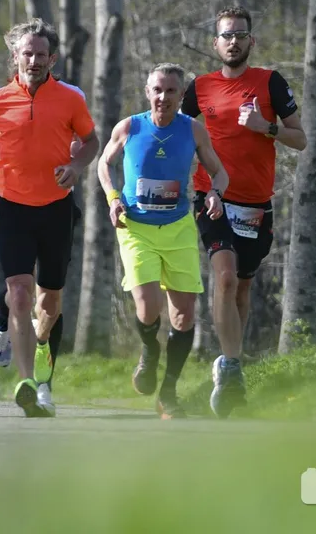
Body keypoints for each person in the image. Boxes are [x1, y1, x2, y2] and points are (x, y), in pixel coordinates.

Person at [180, 5, 307, 417]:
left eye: (240, 34)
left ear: (252, 41)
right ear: (214, 43)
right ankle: (231, 368)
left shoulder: (270, 83)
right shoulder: (199, 87)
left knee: (243, 288)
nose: (233, 41)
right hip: (213, 196)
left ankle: (229, 362)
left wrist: (265, 128)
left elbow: (300, 139)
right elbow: (176, 134)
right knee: (226, 277)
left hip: (256, 202)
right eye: (226, 35)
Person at [0, 19, 99, 417]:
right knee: (20, 293)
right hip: (12, 207)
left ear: (52, 58)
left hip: (57, 208)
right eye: (26, 53)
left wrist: (77, 166)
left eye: (41, 54)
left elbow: (92, 140)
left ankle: (42, 359)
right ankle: (30, 383)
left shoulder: (69, 99)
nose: (33, 60)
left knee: (51, 302)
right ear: (15, 56)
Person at [97, 64, 229, 419]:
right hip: (136, 227)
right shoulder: (129, 127)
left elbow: (220, 171)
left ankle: (168, 392)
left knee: (184, 316)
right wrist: (113, 198)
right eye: (157, 89)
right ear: (147, 91)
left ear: (181, 94)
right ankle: (149, 353)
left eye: (171, 91)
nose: (163, 97)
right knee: (147, 306)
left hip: (178, 227)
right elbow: (103, 165)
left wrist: (215, 194)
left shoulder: (192, 130)